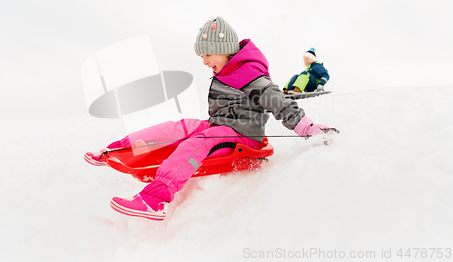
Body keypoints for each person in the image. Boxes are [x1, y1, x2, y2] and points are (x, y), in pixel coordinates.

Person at [84, 17, 332, 221]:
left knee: (196, 143)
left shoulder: (249, 73)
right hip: (220, 125)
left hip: (242, 136)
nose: (204, 62)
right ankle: (116, 149)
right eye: (201, 57)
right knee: (177, 126)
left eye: (208, 55)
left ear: (224, 50)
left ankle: (156, 199)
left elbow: (278, 102)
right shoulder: (228, 68)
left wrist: (306, 127)